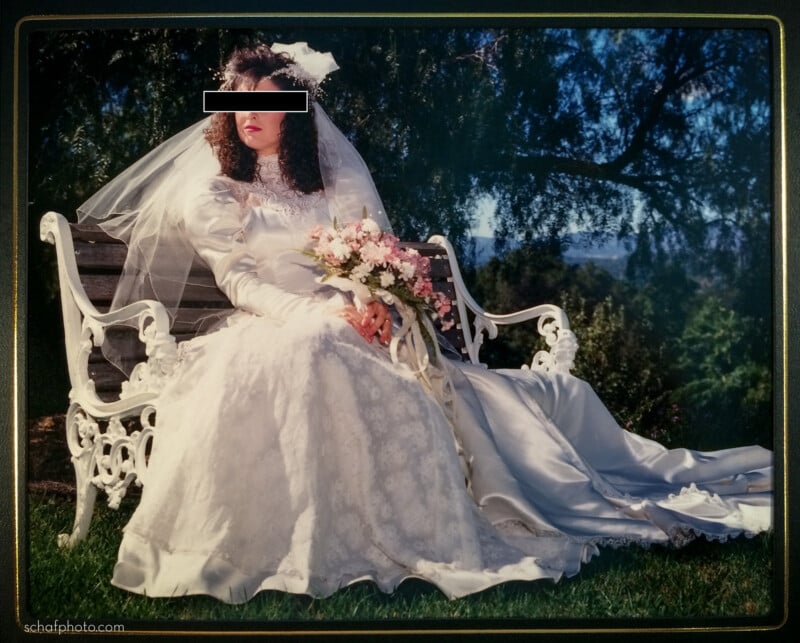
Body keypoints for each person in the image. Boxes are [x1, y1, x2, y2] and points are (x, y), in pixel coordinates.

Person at [78, 43, 772, 603]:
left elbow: (364, 254)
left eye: (267, 102)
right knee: (313, 348)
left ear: (295, 112)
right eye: (238, 103)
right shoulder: (214, 190)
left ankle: (404, 524)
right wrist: (320, 311)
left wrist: (371, 300)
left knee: (353, 351)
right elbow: (240, 281)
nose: (251, 114)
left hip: (360, 323)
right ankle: (309, 535)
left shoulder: (332, 183)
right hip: (278, 321)